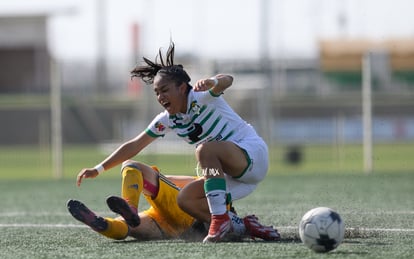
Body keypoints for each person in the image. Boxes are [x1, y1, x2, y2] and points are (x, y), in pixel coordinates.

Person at [75, 41, 278, 242]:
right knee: (185, 200)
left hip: (252, 156)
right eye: (156, 92)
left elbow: (228, 79)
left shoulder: (201, 96)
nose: (160, 96)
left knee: (204, 150)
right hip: (227, 177)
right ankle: (241, 226)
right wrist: (98, 169)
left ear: (182, 88)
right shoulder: (167, 119)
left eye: (164, 90)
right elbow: (135, 145)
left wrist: (213, 82)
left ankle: (219, 219)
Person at [68, 160, 280, 241]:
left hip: (187, 218)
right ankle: (104, 224)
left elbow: (162, 180)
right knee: (128, 227)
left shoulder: (207, 185)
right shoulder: (220, 192)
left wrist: (145, 180)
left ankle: (127, 211)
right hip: (172, 228)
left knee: (132, 166)